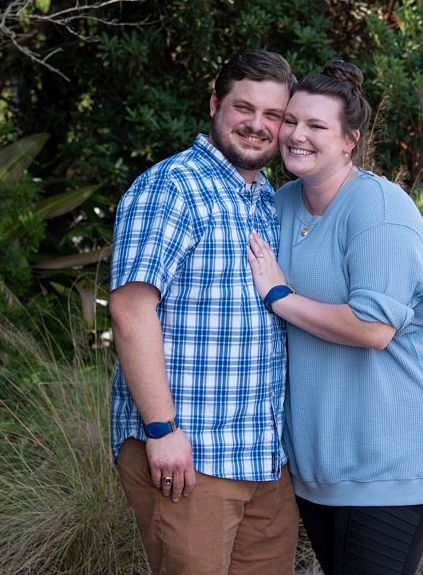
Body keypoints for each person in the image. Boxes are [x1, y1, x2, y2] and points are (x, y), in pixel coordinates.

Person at [246, 60, 423, 575]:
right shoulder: (280, 205)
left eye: (317, 126)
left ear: (350, 140)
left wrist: (280, 296)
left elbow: (373, 328)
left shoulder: (378, 209)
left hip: (393, 449)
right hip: (323, 455)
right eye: (292, 121)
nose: (297, 136)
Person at [108, 50, 300, 575]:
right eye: (244, 108)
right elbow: (129, 310)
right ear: (215, 104)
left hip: (263, 459)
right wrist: (161, 428)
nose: (257, 126)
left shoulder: (265, 199)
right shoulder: (174, 187)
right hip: (190, 458)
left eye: (274, 116)